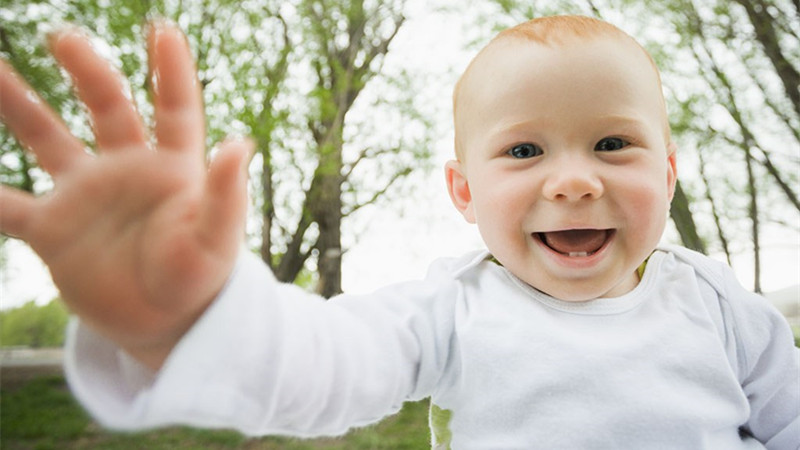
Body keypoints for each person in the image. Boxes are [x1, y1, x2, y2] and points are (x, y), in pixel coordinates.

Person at [0, 15, 797, 449]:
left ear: (666, 175)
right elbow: (328, 364)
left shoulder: (718, 303)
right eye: (523, 150)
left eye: (613, 144)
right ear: (464, 191)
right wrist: (189, 313)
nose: (574, 179)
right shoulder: (451, 310)